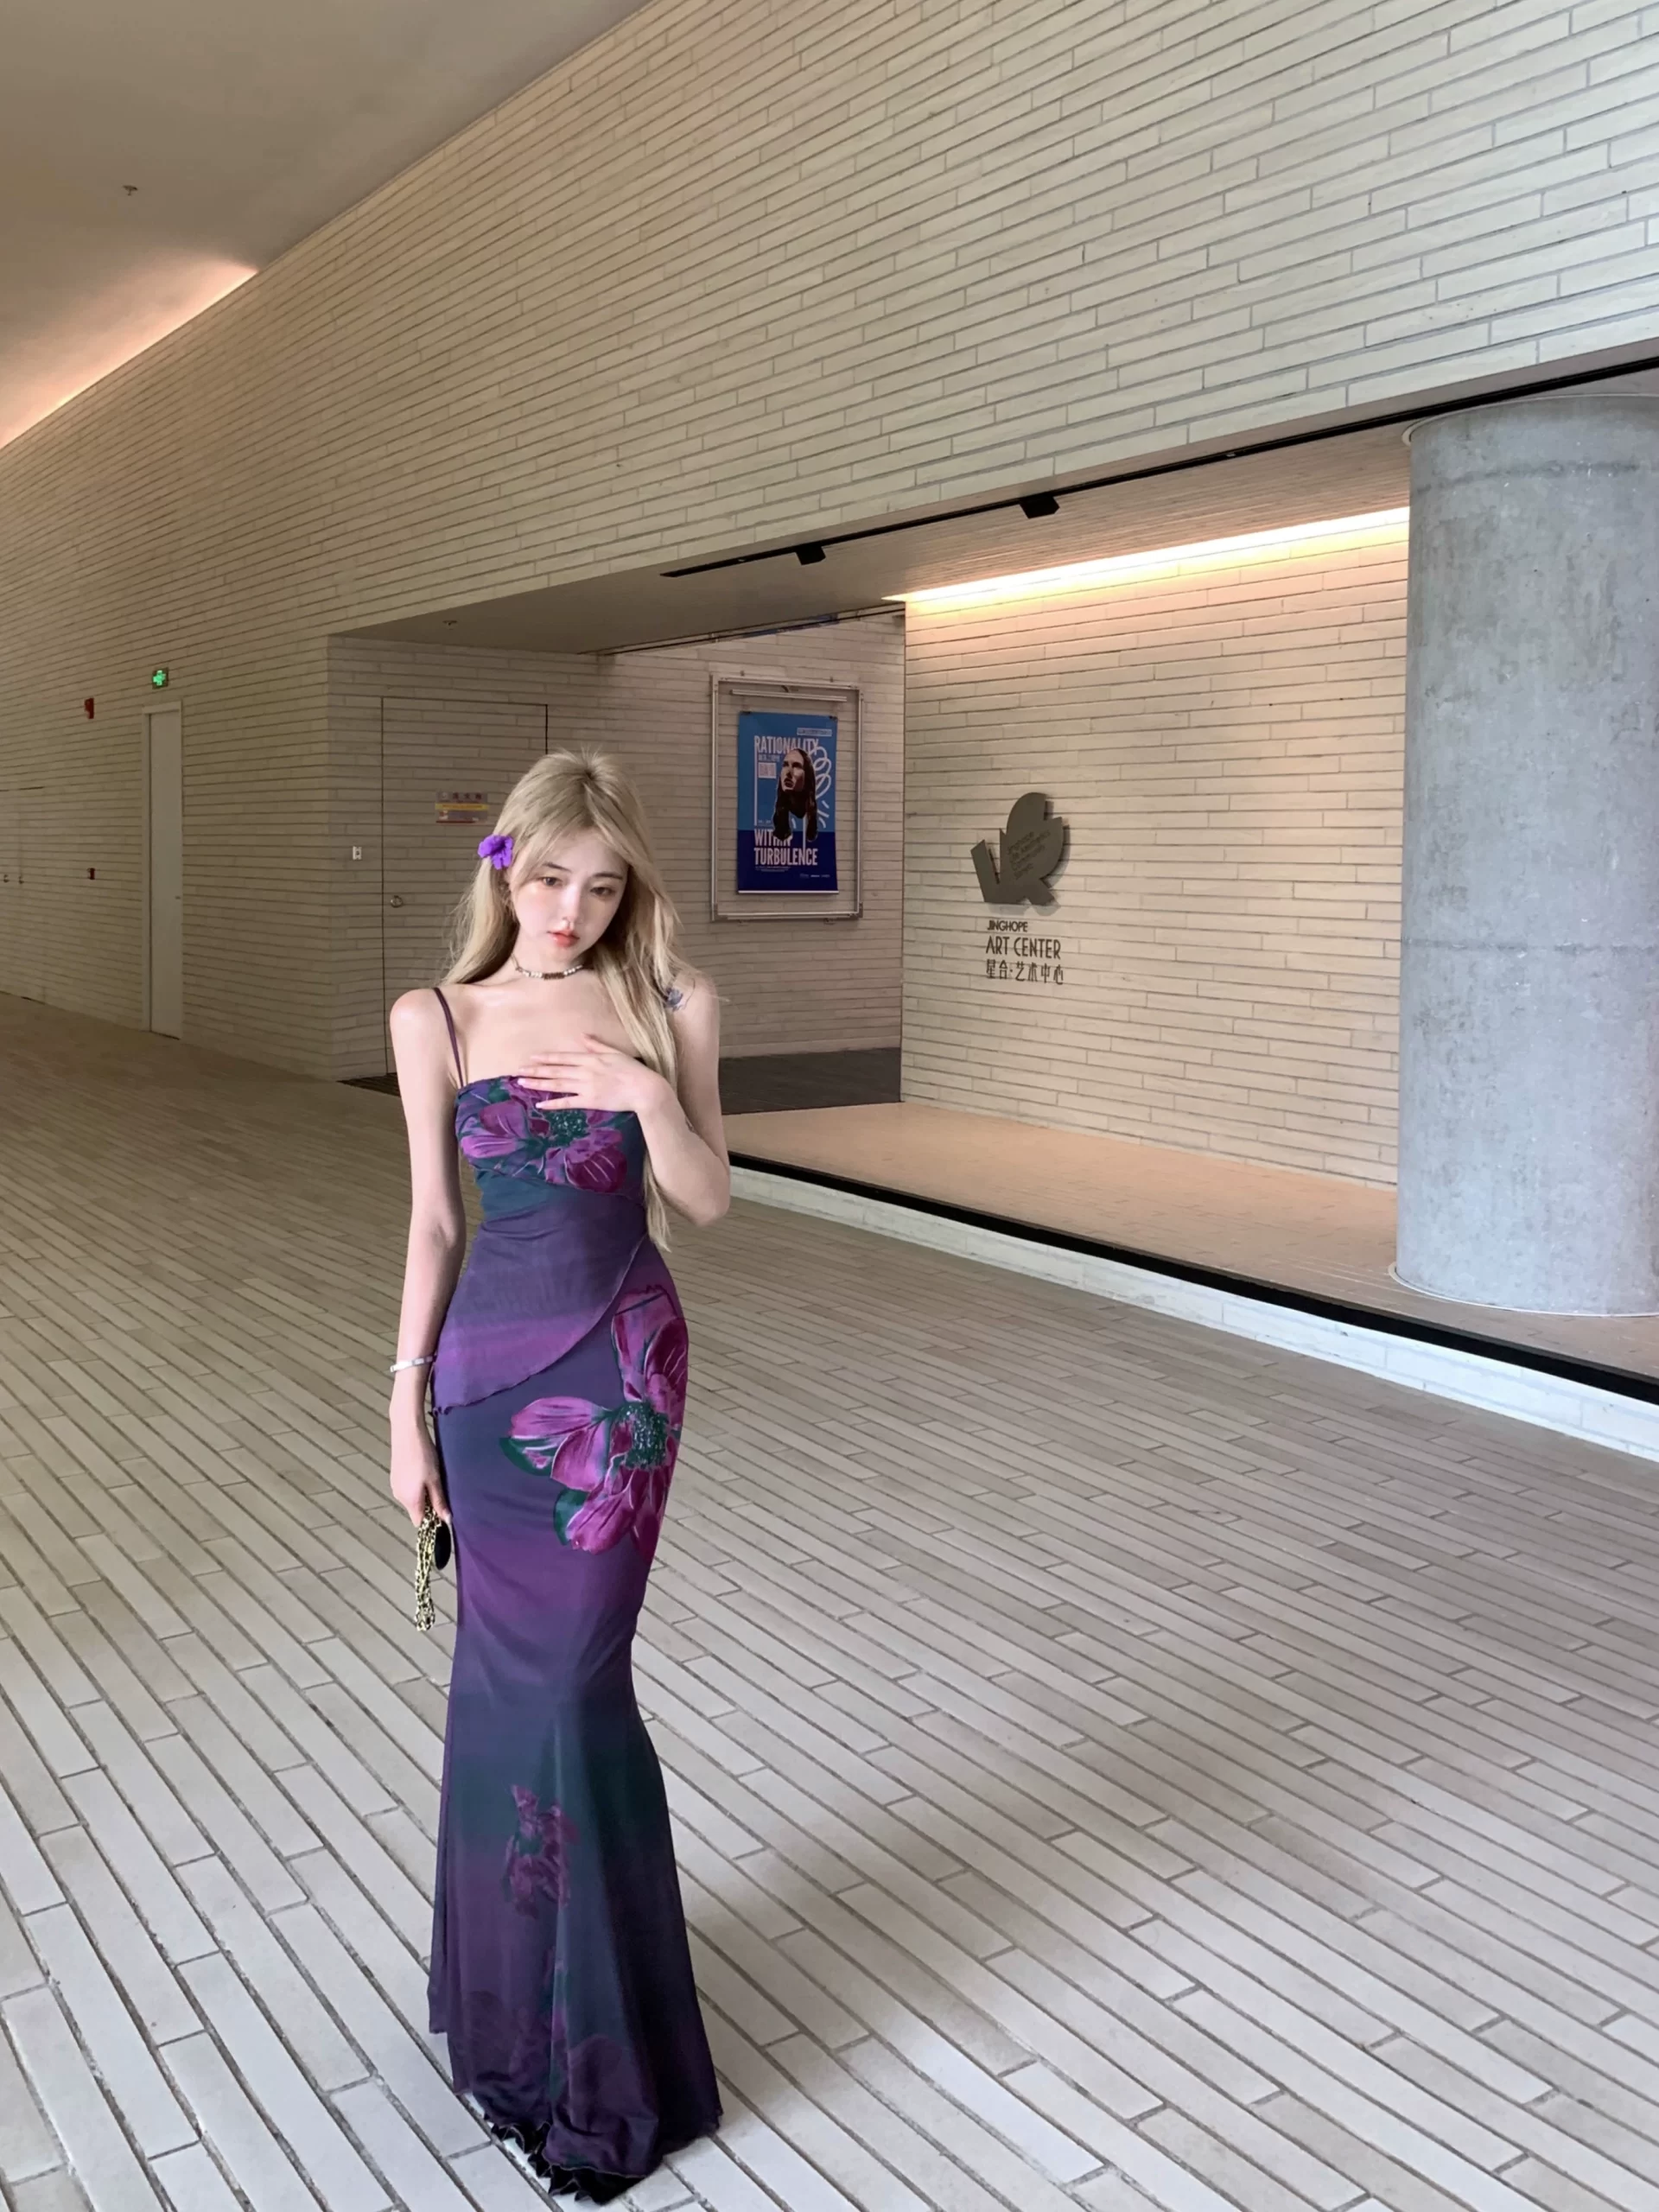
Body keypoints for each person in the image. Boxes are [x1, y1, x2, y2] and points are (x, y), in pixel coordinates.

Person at [386, 750, 727, 2200]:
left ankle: (605, 2059)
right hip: (484, 1383)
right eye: (546, 881)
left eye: (600, 885)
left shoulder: (671, 1003)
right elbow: (434, 1224)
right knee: (501, 1692)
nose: (571, 910)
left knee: (580, 1689)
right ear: (502, 871)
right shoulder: (437, 1015)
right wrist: (403, 1405)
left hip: (621, 1376)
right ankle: (513, 2022)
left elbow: (707, 1197)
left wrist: (646, 1091)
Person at [771, 744, 818, 843]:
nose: (788, 772)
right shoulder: (778, 814)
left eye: (796, 766)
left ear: (807, 777)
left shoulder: (813, 817)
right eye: (785, 765)